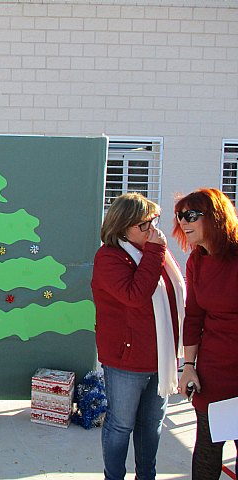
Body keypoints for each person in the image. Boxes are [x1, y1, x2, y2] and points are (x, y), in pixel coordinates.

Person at [91, 193, 185, 480]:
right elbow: (135, 295)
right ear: (123, 226)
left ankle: (147, 475)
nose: (152, 229)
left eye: (153, 221)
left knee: (152, 424)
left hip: (159, 358)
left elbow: (175, 295)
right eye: (145, 224)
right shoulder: (110, 257)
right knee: (121, 425)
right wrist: (156, 253)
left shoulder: (152, 253)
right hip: (126, 360)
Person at [173, 188, 238, 479]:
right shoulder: (197, 261)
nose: (183, 222)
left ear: (215, 217)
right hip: (214, 370)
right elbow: (194, 316)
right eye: (180, 216)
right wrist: (188, 367)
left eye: (191, 215)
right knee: (208, 447)